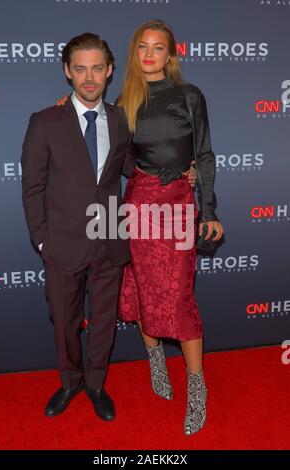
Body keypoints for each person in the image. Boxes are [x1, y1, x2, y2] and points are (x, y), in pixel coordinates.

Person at [116, 19, 224, 435]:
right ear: (134, 52)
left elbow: (206, 154)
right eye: (142, 46)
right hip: (141, 203)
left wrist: (207, 207)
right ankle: (156, 362)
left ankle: (197, 387)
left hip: (179, 204)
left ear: (171, 54)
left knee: (178, 294)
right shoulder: (125, 100)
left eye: (158, 47)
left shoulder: (189, 96)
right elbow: (118, 159)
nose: (149, 54)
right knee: (143, 286)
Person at [21, 32, 136, 421]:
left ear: (110, 71)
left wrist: (180, 172)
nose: (90, 78)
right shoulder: (45, 121)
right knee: (65, 323)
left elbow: (135, 171)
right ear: (67, 71)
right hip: (62, 244)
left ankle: (96, 384)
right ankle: (70, 381)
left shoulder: (120, 121)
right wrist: (41, 241)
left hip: (109, 238)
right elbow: (32, 187)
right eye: (81, 69)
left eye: (97, 69)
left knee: (104, 320)